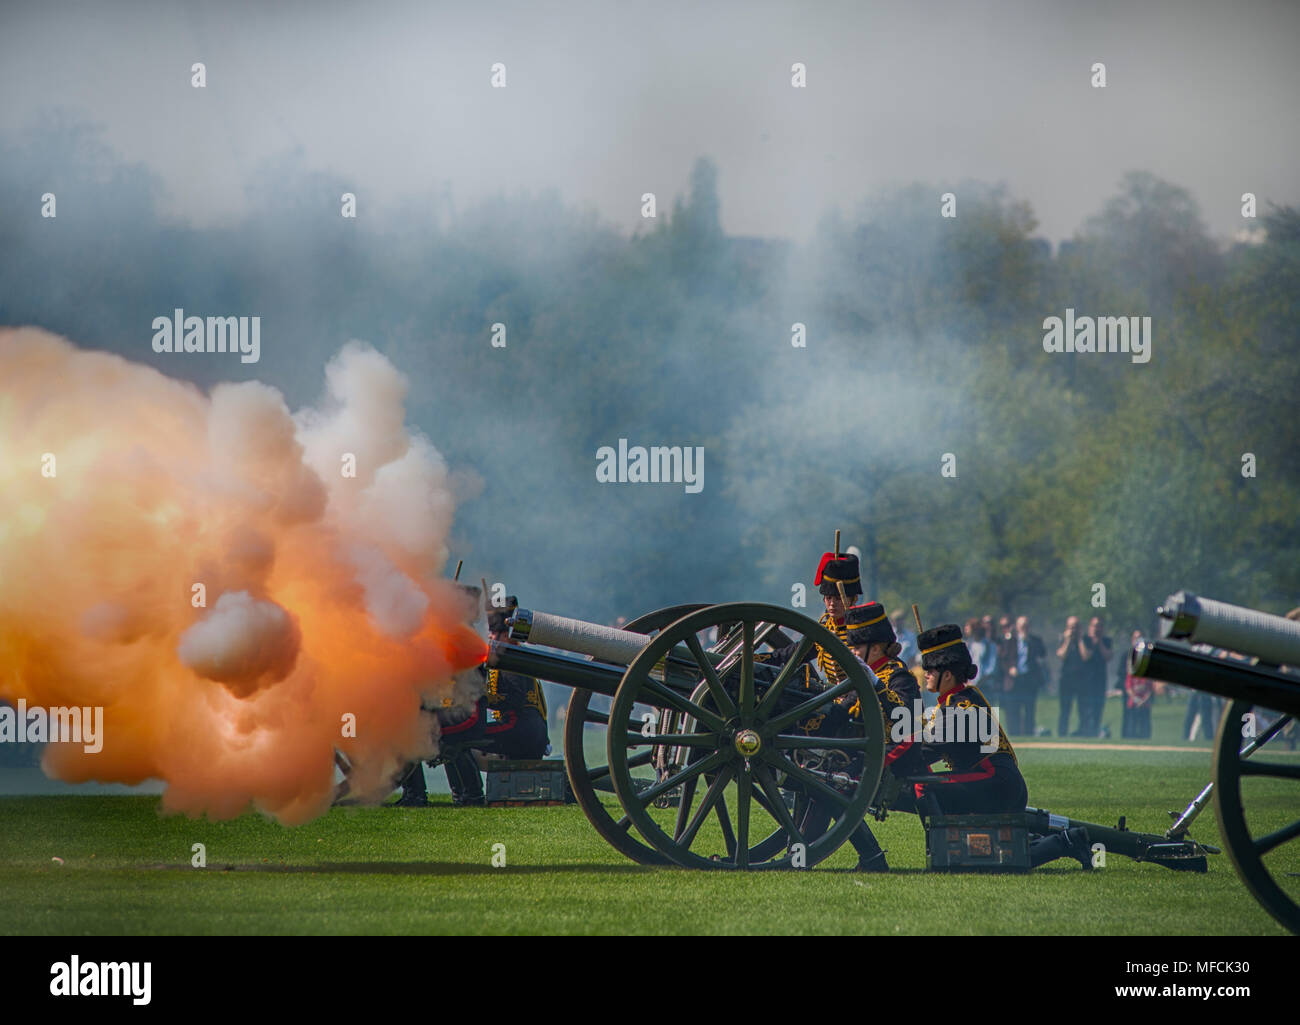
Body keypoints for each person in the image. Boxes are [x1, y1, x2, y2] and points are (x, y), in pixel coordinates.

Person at [890, 624, 1091, 868]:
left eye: (931, 668)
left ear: (948, 674)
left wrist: (886, 756)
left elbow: (923, 749)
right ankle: (1067, 840)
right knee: (997, 853)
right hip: (995, 782)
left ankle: (946, 855)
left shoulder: (961, 708)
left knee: (924, 786)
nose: (926, 673)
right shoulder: (958, 700)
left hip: (996, 783)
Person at [1005, 615, 1047, 736]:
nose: (1024, 628)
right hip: (1015, 681)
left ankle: (1029, 734)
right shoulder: (1011, 640)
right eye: (1022, 626)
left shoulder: (1035, 640)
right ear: (1017, 627)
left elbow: (1042, 654)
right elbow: (1003, 658)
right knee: (1014, 710)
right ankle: (1015, 735)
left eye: (1026, 626)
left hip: (1029, 680)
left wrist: (1028, 641)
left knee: (1030, 709)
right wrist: (1010, 668)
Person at [1079, 616, 1113, 736]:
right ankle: (1084, 730)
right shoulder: (1084, 640)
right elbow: (1085, 656)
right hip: (1086, 680)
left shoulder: (1107, 641)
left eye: (1099, 626)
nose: (1096, 628)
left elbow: (1108, 657)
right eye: (1094, 625)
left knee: (1098, 707)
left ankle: (1095, 730)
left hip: (1100, 679)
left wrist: (1099, 642)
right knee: (1085, 707)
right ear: (1090, 627)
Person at [1056, 615, 1089, 737]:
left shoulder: (1085, 640)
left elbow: (1086, 656)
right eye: (1071, 627)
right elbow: (1061, 655)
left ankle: (1084, 732)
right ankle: (1062, 733)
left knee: (1083, 709)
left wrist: (1080, 639)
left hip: (1082, 680)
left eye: (1076, 627)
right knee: (1065, 709)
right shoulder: (1063, 639)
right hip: (1066, 680)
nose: (1073, 630)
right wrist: (1068, 640)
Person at [1120, 629, 1153, 739]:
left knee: (1144, 726)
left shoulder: (1149, 658)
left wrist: (1144, 699)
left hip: (1145, 700)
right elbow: (1127, 682)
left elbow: (1150, 685)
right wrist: (1134, 698)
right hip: (1132, 699)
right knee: (1130, 724)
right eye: (1136, 638)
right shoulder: (1127, 656)